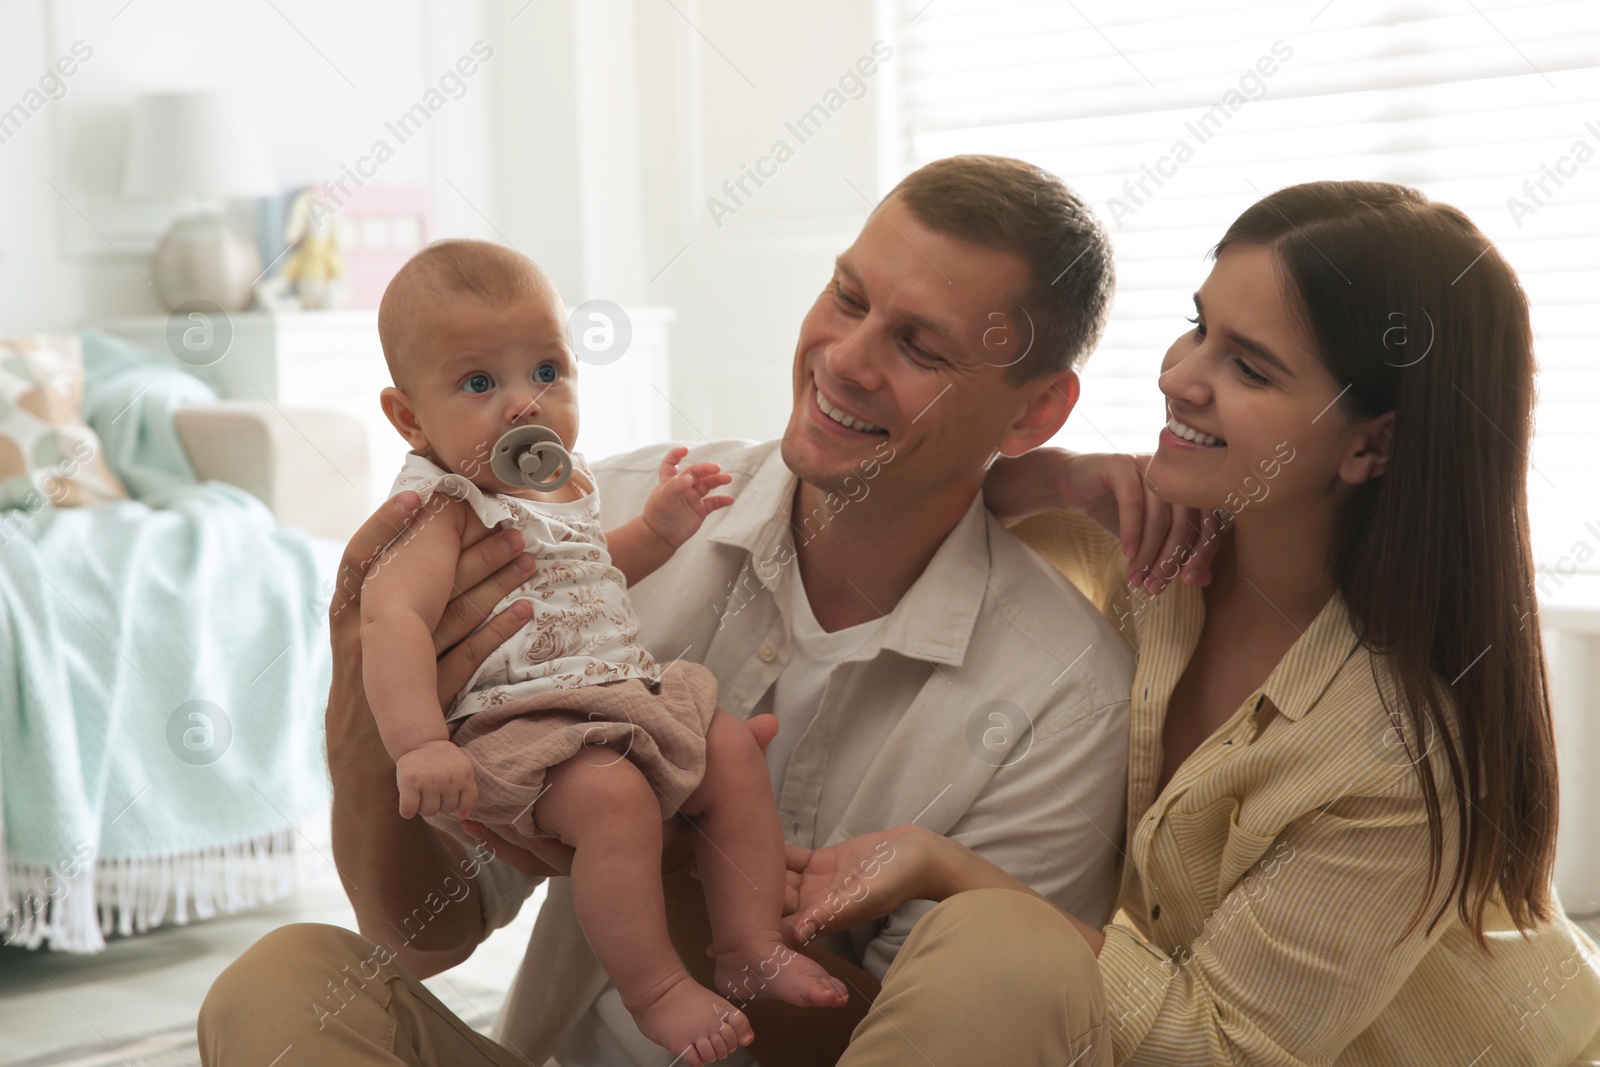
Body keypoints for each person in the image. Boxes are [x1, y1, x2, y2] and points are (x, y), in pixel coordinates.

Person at [198, 155, 1156, 1067]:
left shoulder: (1063, 700)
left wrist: (676, 863)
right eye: (848, 297)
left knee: (1006, 955)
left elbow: (931, 1040)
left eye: (919, 345)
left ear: (1034, 415)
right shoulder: (582, 522)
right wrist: (364, 689)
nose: (845, 359)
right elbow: (421, 934)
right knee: (286, 983)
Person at [779, 180, 1600, 1066]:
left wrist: (950, 866)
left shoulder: (1398, 753)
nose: (1178, 377)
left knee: (994, 947)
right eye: (1197, 326)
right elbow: (918, 483)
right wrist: (1054, 476)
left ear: (1374, 445)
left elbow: (1220, 1046)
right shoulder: (1162, 557)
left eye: (1249, 367)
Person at [357, 239, 850, 1065]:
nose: (524, 404)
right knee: (616, 802)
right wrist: (420, 742)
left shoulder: (561, 486)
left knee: (728, 742)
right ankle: (656, 990)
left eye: (546, 370)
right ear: (410, 418)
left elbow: (588, 575)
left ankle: (747, 944)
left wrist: (656, 530)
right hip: (520, 723)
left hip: (618, 694)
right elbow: (392, 621)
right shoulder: (441, 510)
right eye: (480, 383)